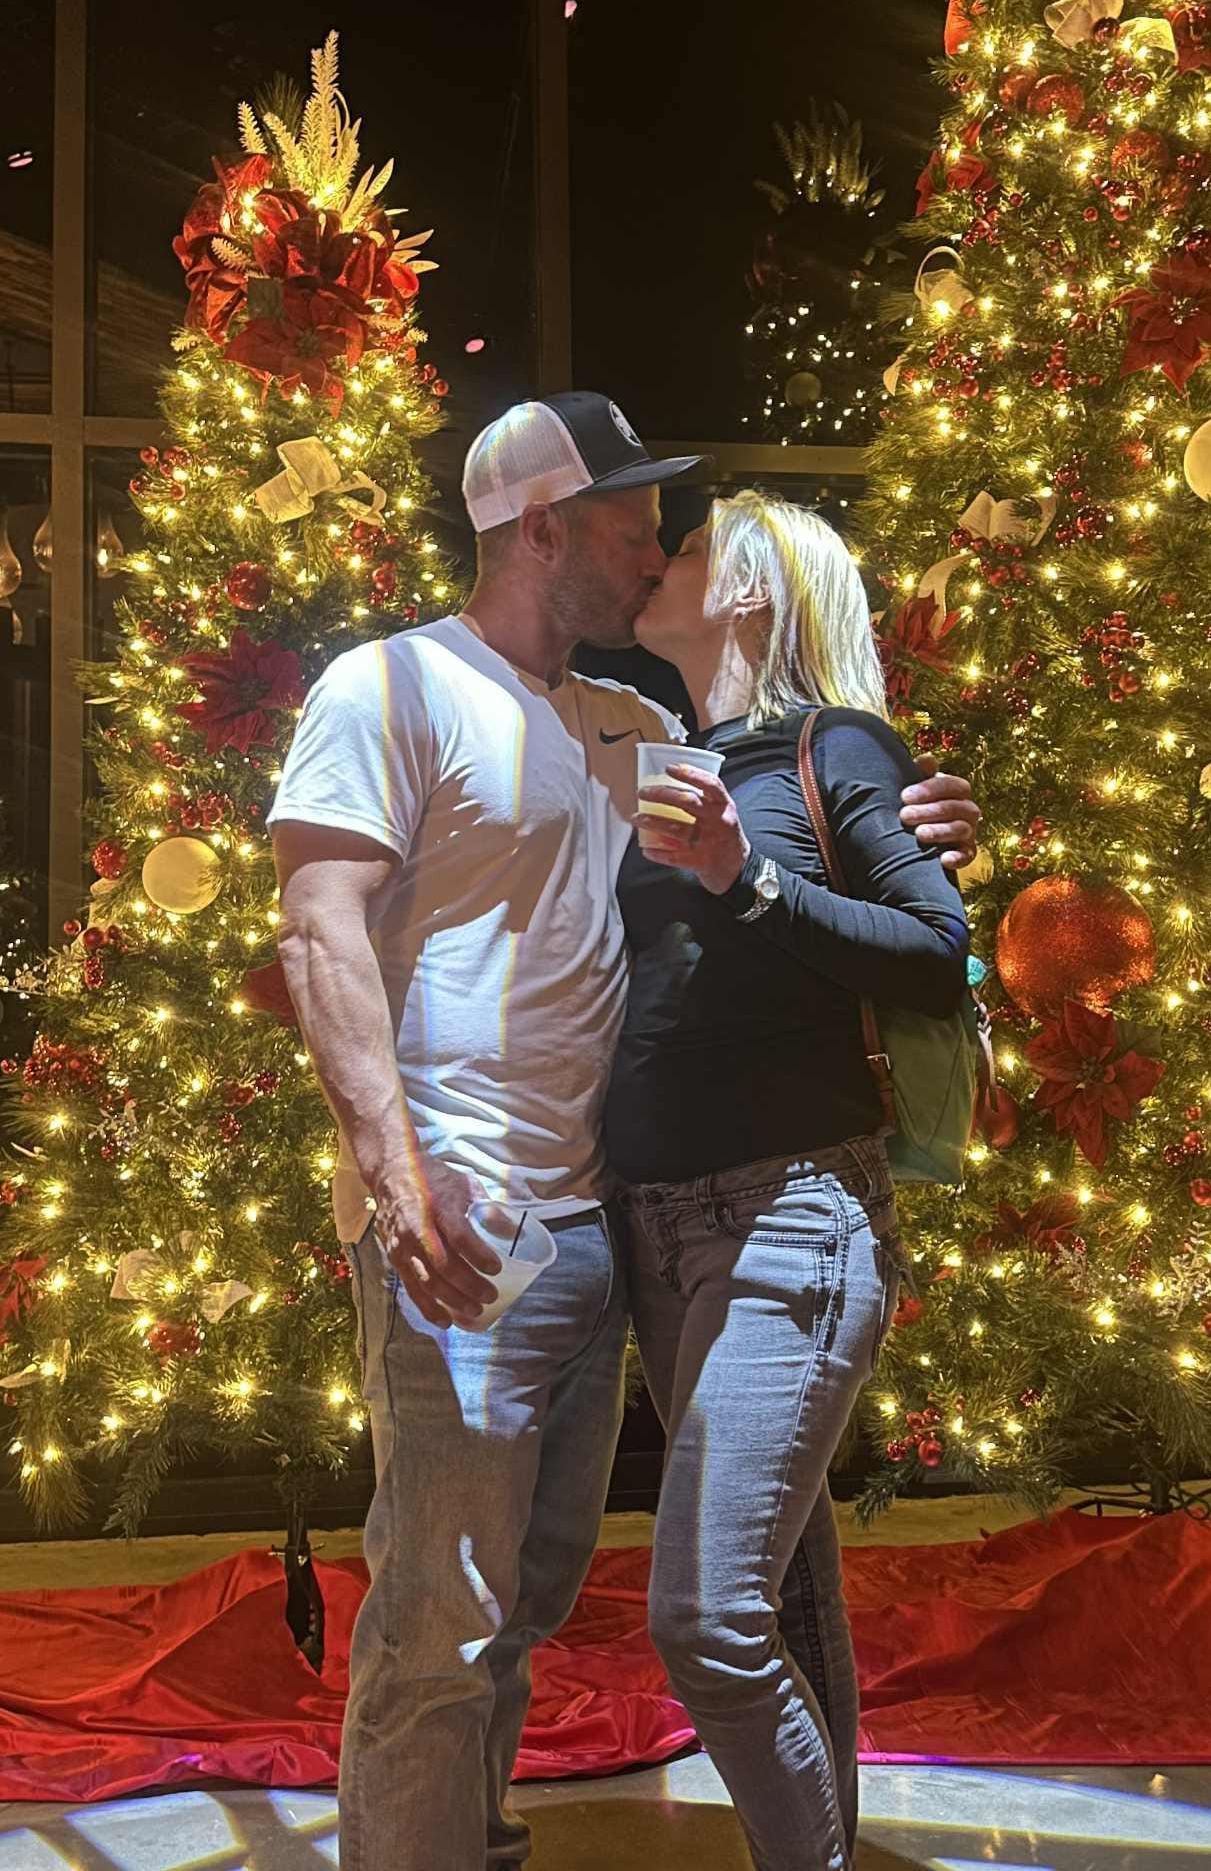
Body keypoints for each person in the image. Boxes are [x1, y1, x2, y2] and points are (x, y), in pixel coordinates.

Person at [267, 393, 978, 1871]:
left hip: (605, 1232)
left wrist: (914, 820)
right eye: (634, 522)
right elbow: (318, 932)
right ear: (542, 529)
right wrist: (395, 1179)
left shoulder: (638, 728)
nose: (657, 549)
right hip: (462, 1228)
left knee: (521, 1604)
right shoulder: (389, 684)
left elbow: (805, 843)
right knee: (440, 1619)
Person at [606, 491, 967, 1871]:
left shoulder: (836, 746)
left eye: (692, 546)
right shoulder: (668, 750)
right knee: (788, 1603)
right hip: (659, 1227)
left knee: (706, 1617)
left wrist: (744, 874)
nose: (661, 559)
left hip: (791, 1214)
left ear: (752, 591)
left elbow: (934, 948)